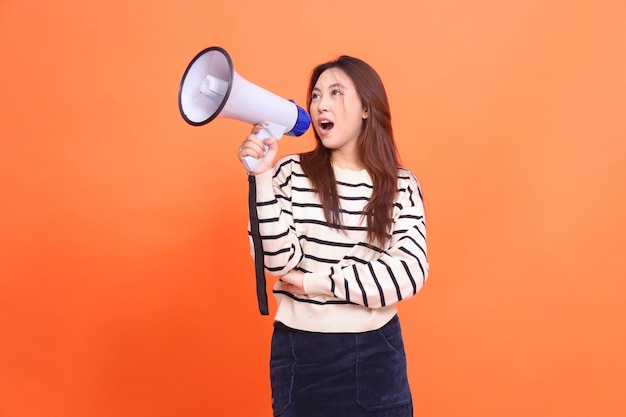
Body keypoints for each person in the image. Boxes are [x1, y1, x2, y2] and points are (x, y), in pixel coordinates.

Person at [237, 55, 429, 417]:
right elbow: (278, 261)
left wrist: (317, 283)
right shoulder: (289, 173)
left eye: (336, 93)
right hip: (300, 355)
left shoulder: (400, 185)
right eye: (316, 95)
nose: (321, 104)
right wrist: (261, 176)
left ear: (366, 109)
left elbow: (409, 273)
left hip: (375, 355)